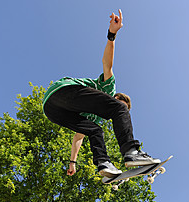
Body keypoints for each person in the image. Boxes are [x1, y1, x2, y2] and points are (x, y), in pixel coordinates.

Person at [42, 9, 160, 177]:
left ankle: (103, 163)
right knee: (117, 110)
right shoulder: (108, 88)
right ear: (117, 97)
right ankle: (132, 152)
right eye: (120, 103)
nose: (118, 111)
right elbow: (107, 64)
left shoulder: (94, 117)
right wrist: (112, 35)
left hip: (52, 110)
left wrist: (72, 162)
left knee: (95, 130)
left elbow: (78, 138)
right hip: (65, 91)